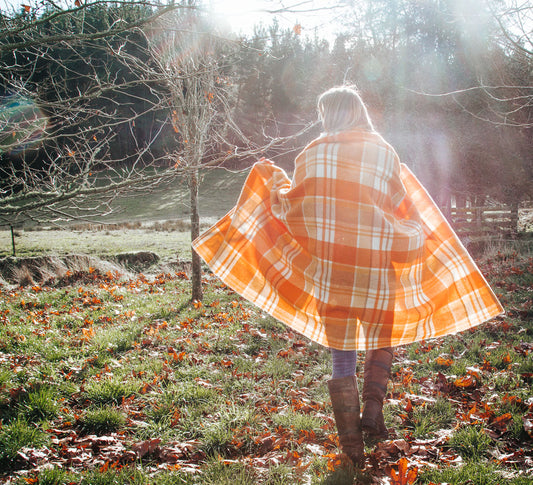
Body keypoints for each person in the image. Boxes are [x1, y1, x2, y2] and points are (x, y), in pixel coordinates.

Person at [192, 85, 504, 469]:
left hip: (333, 271)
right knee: (381, 335)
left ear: (331, 114)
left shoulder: (313, 153)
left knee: (342, 350)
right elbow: (394, 203)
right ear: (359, 113)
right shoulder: (384, 152)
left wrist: (272, 182)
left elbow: (297, 208)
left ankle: (352, 444)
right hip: (375, 266)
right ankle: (372, 410)